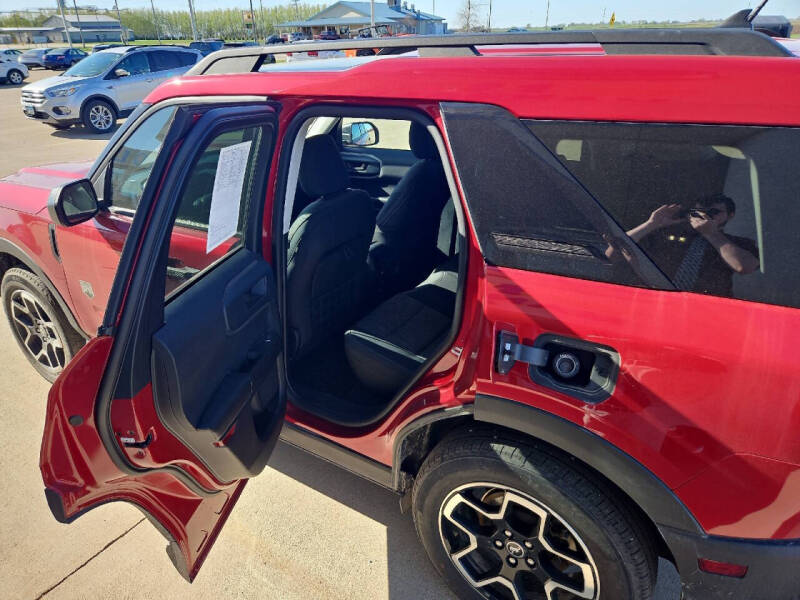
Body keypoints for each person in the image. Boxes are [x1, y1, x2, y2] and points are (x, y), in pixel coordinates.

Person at [607, 194, 759, 296]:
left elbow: (744, 266)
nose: (705, 216)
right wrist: (651, 224)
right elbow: (612, 255)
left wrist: (711, 233)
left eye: (714, 212)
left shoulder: (736, 243)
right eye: (700, 211)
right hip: (653, 300)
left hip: (706, 311)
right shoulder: (663, 234)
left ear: (730, 215)